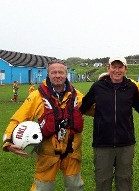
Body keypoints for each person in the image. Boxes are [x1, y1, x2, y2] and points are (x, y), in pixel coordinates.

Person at [2, 60, 84, 191]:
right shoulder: (36, 96)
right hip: (47, 154)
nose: (57, 75)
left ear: (66, 74)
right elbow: (18, 119)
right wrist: (7, 140)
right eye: (54, 72)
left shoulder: (77, 96)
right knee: (42, 188)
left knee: (75, 186)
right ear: (48, 74)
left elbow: (96, 108)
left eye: (61, 72)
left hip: (72, 152)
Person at [79, 57, 139, 191]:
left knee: (125, 179)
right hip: (102, 143)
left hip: (126, 143)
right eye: (114, 67)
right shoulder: (98, 86)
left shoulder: (131, 87)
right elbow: (82, 107)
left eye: (120, 67)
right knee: (103, 180)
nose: (117, 70)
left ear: (125, 69)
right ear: (108, 68)